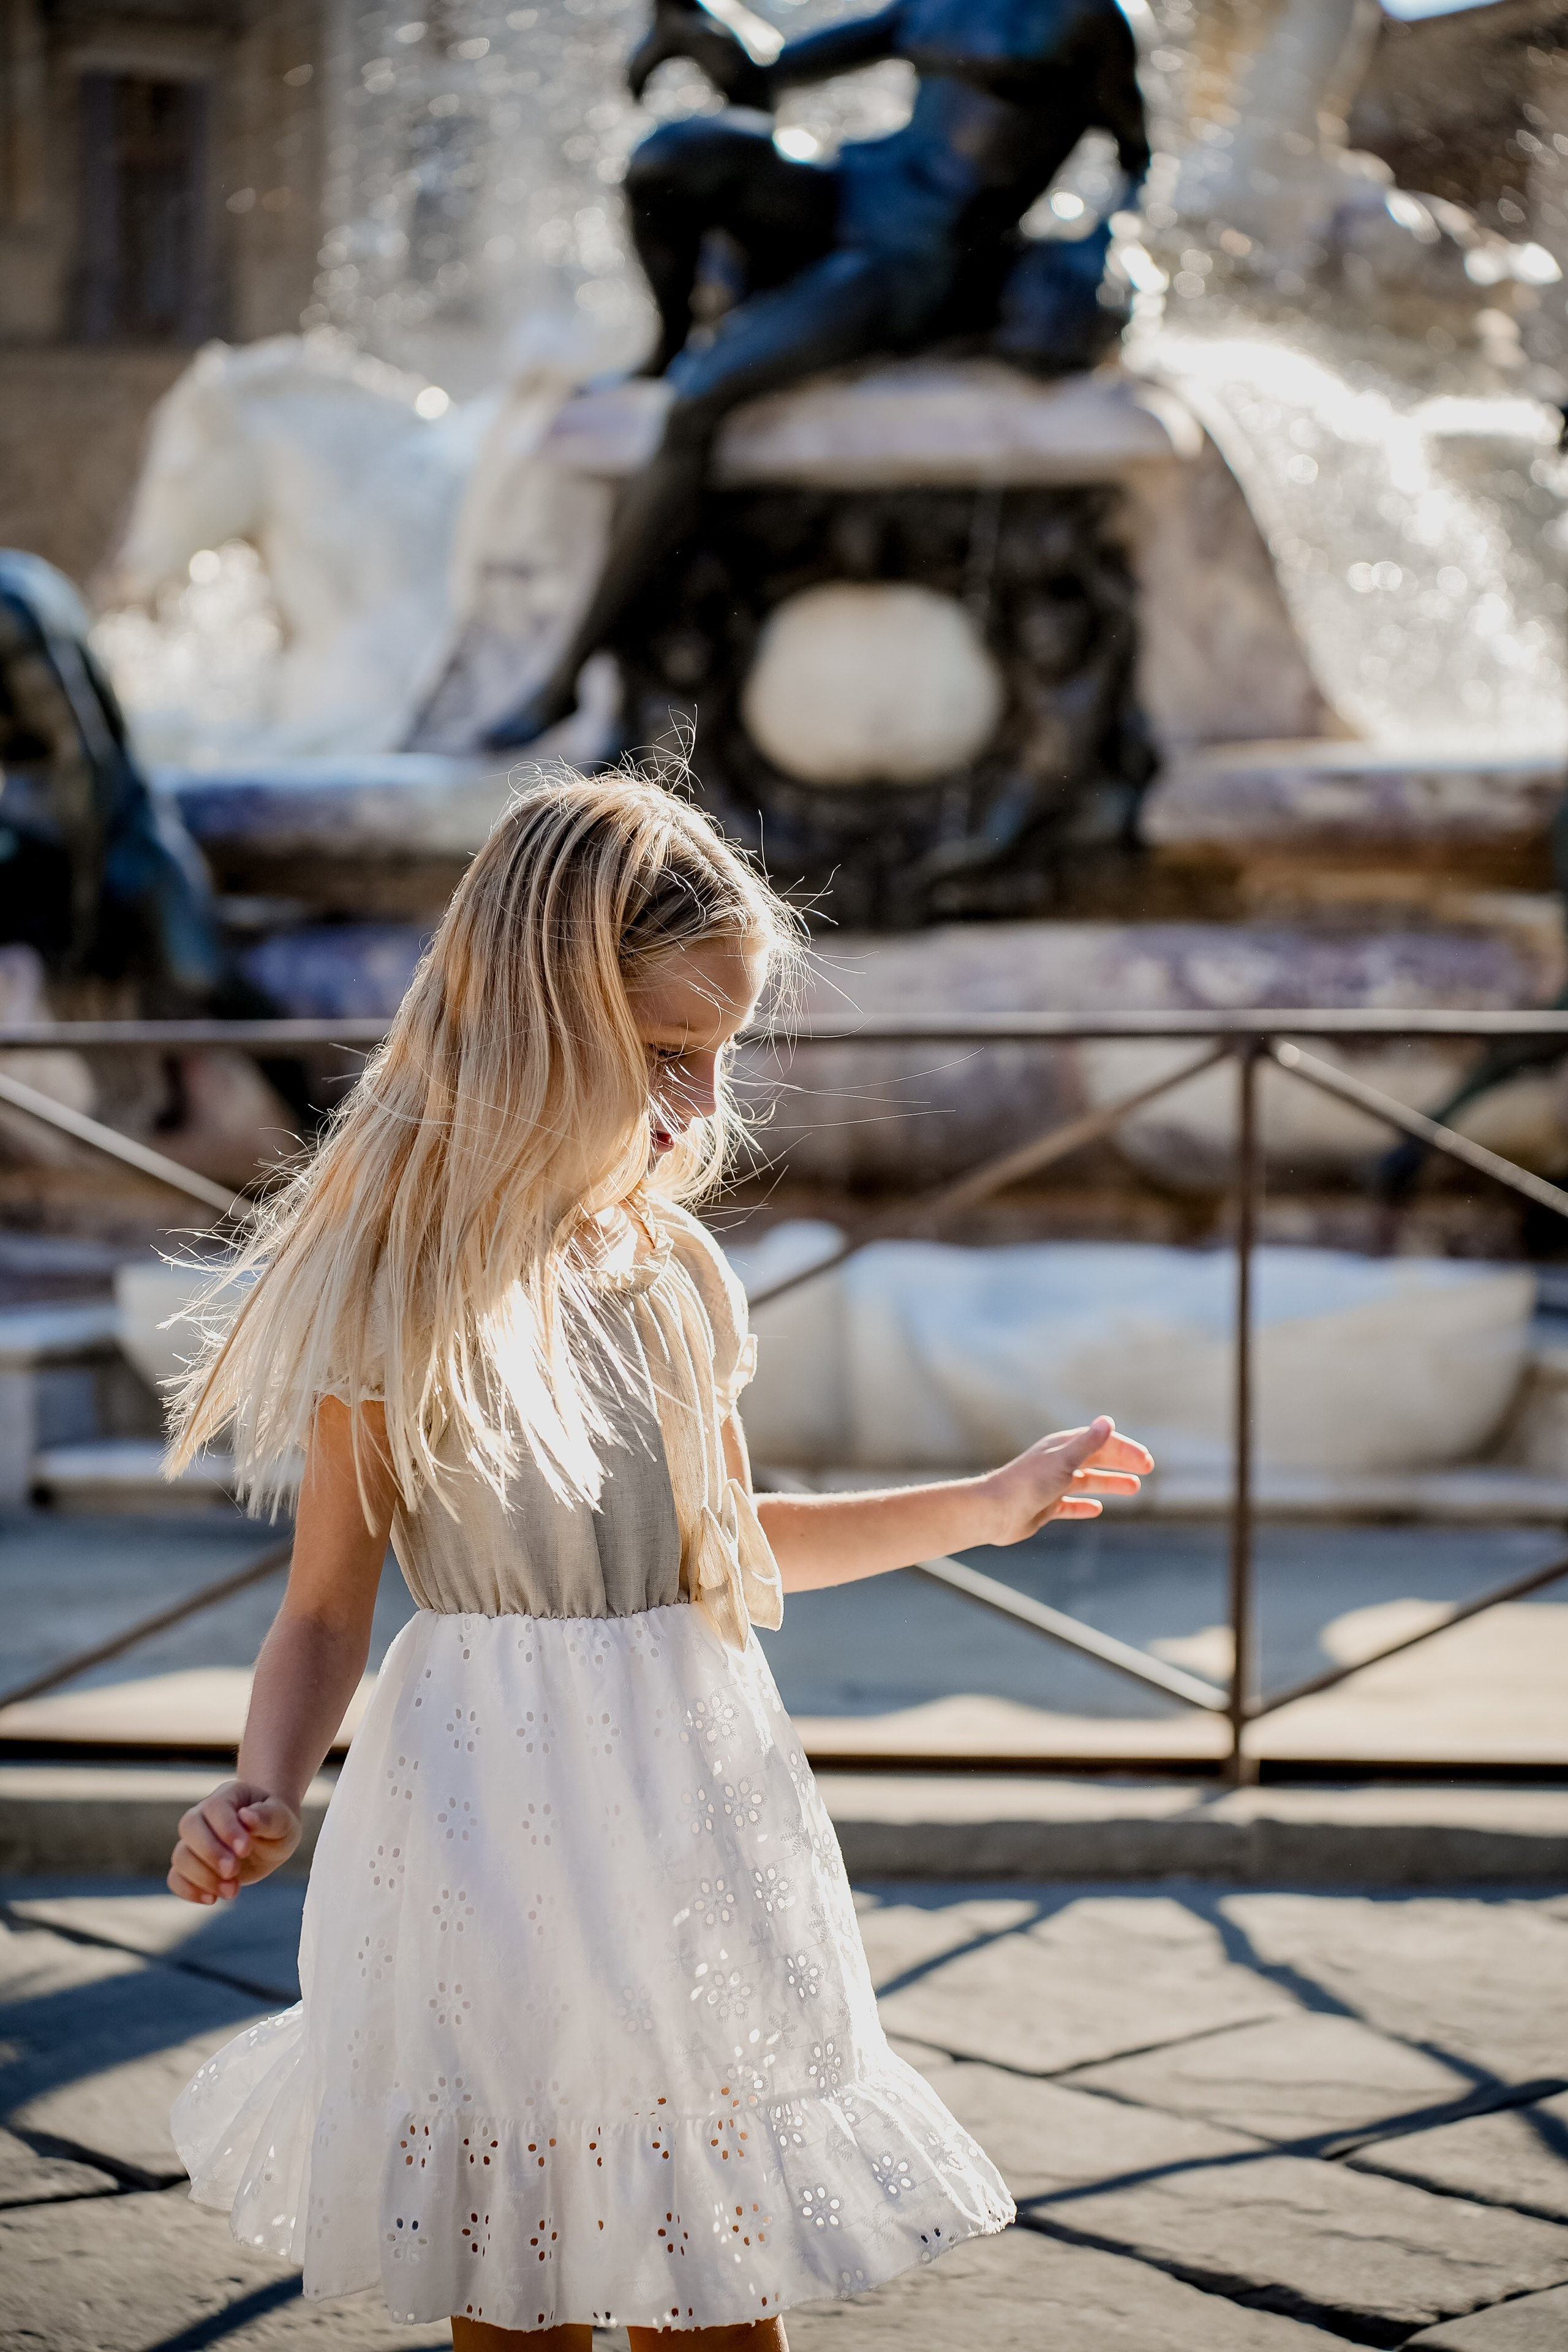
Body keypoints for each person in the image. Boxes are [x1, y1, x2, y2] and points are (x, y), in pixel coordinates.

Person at [163, 767, 1152, 2346]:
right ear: (541, 1020)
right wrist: (263, 1782)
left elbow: (725, 1549)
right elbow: (324, 1604)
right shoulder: (396, 1279)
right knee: (521, 2283)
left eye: (720, 1054)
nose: (700, 1102)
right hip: (481, 1820)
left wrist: (980, 1500)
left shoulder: (673, 1265)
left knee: (714, 2281)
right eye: (666, 1053)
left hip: (692, 1804)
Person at [481, 0, 1149, 748]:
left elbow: (1136, 156)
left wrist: (1103, 248)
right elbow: (769, 76)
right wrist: (702, 28)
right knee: (675, 157)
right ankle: (665, 341)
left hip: (921, 256)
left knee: (696, 404)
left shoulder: (1088, 18)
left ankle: (564, 677)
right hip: (855, 191)